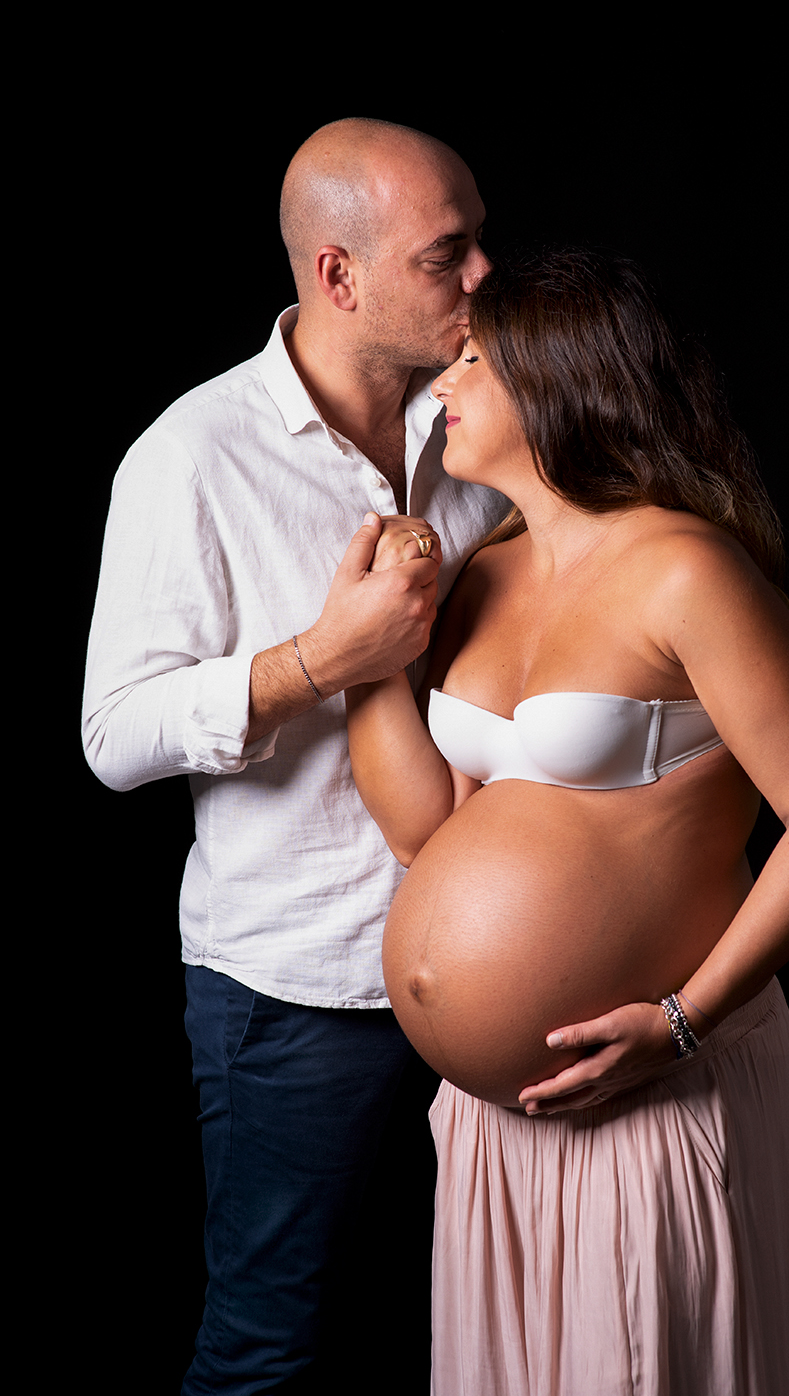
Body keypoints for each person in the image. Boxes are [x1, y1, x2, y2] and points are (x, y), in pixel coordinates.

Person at [345, 248, 789, 1395]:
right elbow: (426, 828)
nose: (446, 380)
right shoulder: (484, 572)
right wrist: (365, 652)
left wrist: (678, 1022)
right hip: (499, 1119)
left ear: (553, 378)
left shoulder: (686, 570)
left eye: (474, 359)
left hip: (649, 1073)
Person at [82, 118, 509, 1393]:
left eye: (480, 239)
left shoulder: (487, 421)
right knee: (271, 1350)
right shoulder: (190, 456)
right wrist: (325, 656)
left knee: (463, 1332)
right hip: (290, 992)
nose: (486, 273)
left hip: (485, 972)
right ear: (340, 274)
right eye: (451, 254)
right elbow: (113, 737)